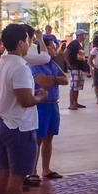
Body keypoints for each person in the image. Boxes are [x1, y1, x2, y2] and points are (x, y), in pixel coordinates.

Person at [0, 23, 46, 194]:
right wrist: (40, 96)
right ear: (21, 42)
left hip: (0, 121)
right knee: (17, 176)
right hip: (18, 126)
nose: (29, 44)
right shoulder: (20, 67)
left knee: (3, 172)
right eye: (28, 40)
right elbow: (25, 100)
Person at [27, 40, 68, 185]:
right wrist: (55, 79)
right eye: (52, 47)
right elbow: (42, 82)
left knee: (49, 138)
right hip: (41, 106)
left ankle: (46, 169)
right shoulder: (34, 65)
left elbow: (65, 79)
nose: (55, 49)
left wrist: (52, 79)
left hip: (53, 104)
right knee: (37, 139)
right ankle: (32, 171)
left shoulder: (52, 64)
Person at [65, 30, 87, 111]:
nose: (84, 37)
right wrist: (68, 64)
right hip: (74, 67)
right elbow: (66, 53)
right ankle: (71, 103)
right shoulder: (73, 43)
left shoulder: (80, 44)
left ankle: (75, 102)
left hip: (80, 67)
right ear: (79, 35)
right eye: (83, 35)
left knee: (77, 86)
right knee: (74, 86)